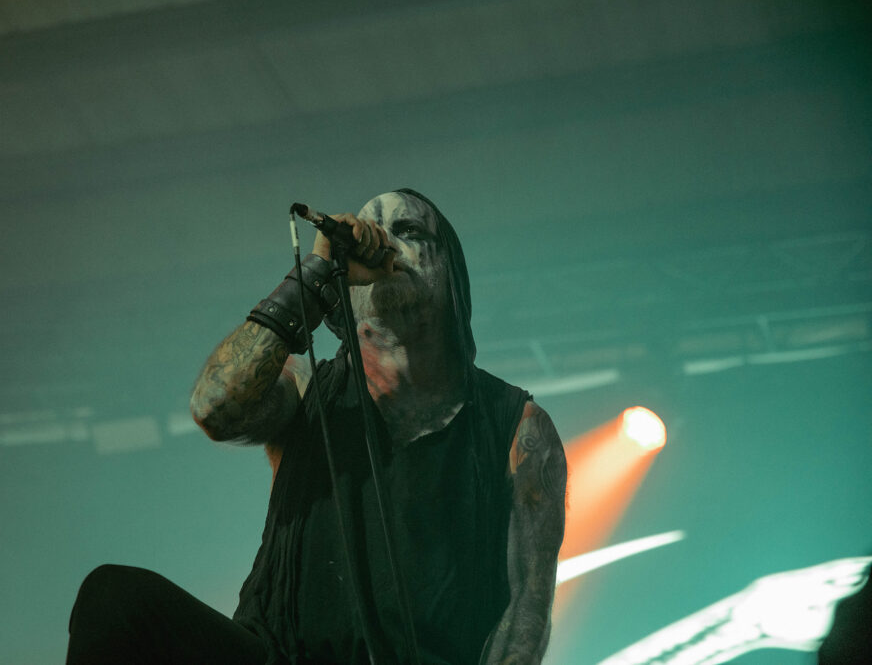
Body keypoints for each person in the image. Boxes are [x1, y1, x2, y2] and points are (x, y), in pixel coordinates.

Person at [66, 189, 567, 664]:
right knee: (115, 598)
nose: (384, 241)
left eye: (408, 230)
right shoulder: (305, 387)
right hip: (275, 655)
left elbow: (526, 610)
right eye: (374, 228)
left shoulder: (517, 427)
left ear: (449, 269)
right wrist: (316, 273)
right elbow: (214, 407)